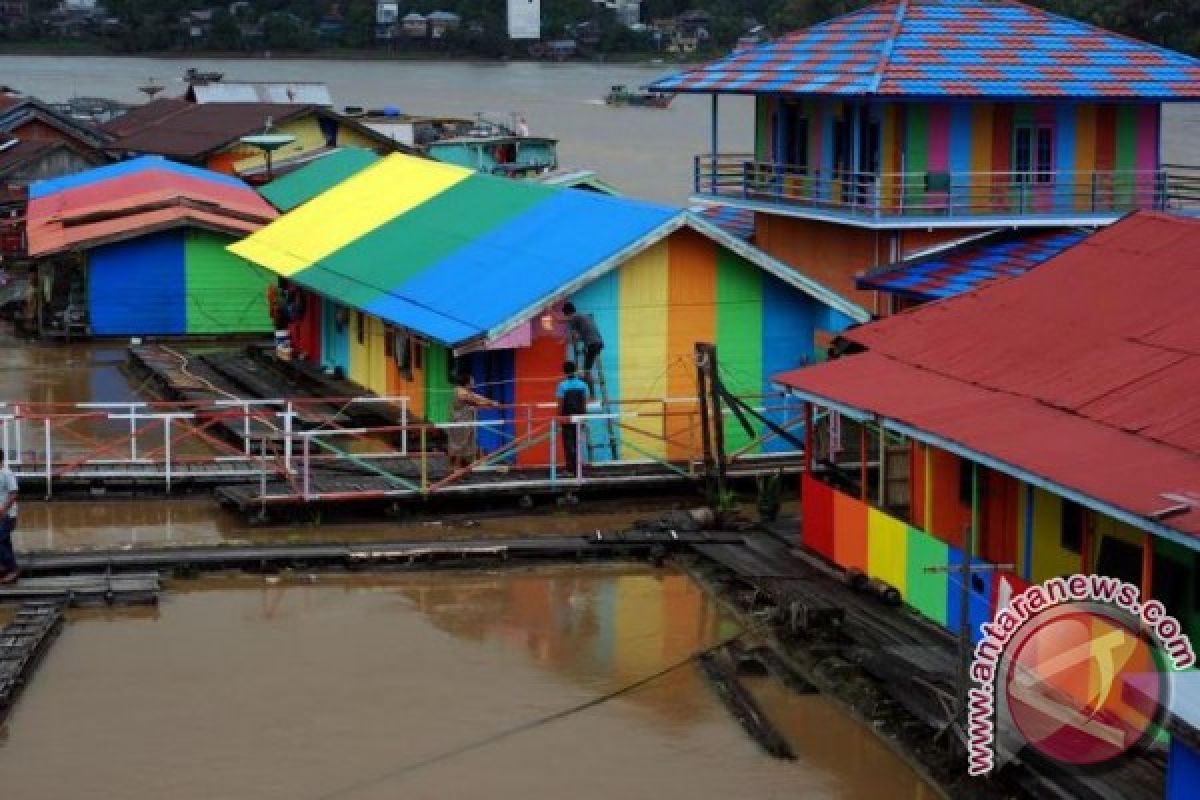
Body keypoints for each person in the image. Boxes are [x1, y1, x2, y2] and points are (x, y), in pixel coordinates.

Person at [447, 373, 499, 468]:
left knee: (465, 445)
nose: (473, 382)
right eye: (471, 381)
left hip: (464, 421)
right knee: (459, 445)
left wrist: (491, 402)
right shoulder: (461, 392)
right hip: (459, 422)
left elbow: (477, 398)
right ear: (467, 383)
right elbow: (474, 399)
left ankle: (459, 469)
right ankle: (454, 469)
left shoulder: (465, 391)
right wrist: (491, 403)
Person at [556, 361, 590, 473]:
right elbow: (584, 403)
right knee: (578, 442)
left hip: (567, 418)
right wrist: (584, 417)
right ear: (575, 370)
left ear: (564, 372)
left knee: (568, 443)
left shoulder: (562, 385)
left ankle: (570, 468)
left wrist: (558, 418)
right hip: (579, 417)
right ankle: (578, 468)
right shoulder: (583, 385)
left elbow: (560, 405)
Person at [561, 302, 604, 392]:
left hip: (592, 344)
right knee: (586, 368)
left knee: (586, 371)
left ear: (567, 313)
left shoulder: (574, 317)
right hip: (599, 342)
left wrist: (549, 310)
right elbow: (582, 335)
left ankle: (592, 394)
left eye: (565, 314)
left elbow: (559, 321)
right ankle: (584, 381)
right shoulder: (585, 316)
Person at [0, 453, 18, 584]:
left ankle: (12, 570)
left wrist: (3, 510)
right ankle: (7, 567)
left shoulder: (7, 473)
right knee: (5, 542)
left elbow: (13, 494)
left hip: (7, 515)